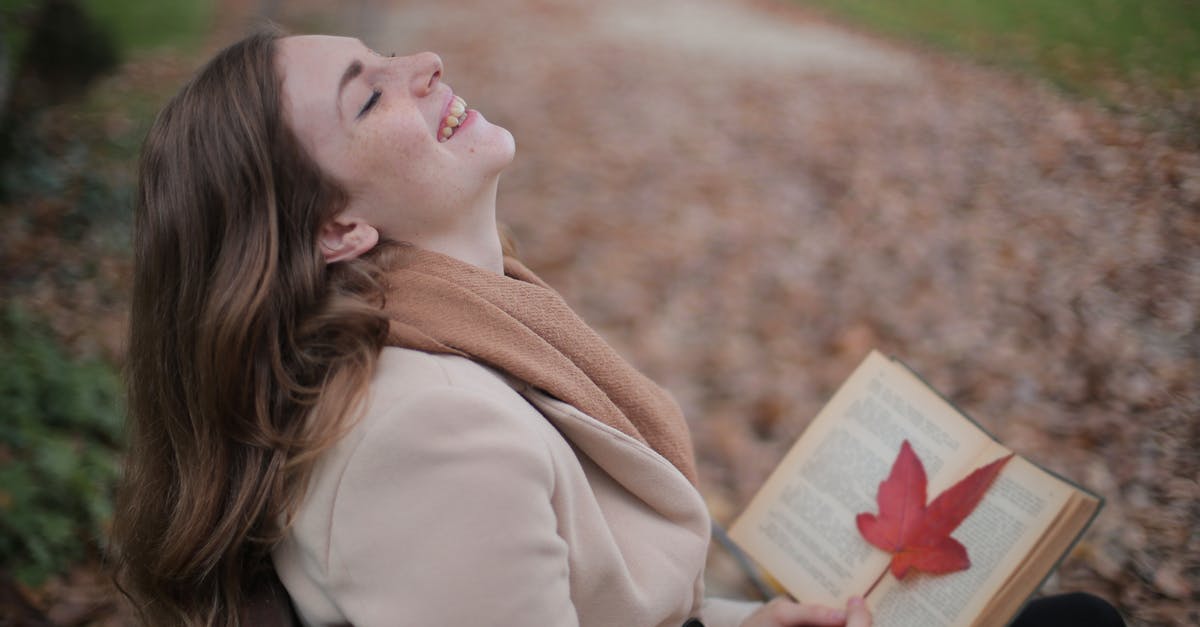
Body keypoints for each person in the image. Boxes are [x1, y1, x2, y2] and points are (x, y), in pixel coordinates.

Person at [111, 27, 1124, 627]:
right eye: (370, 93)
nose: (421, 61)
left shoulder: (464, 328)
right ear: (339, 227)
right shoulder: (421, 439)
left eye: (384, 56)